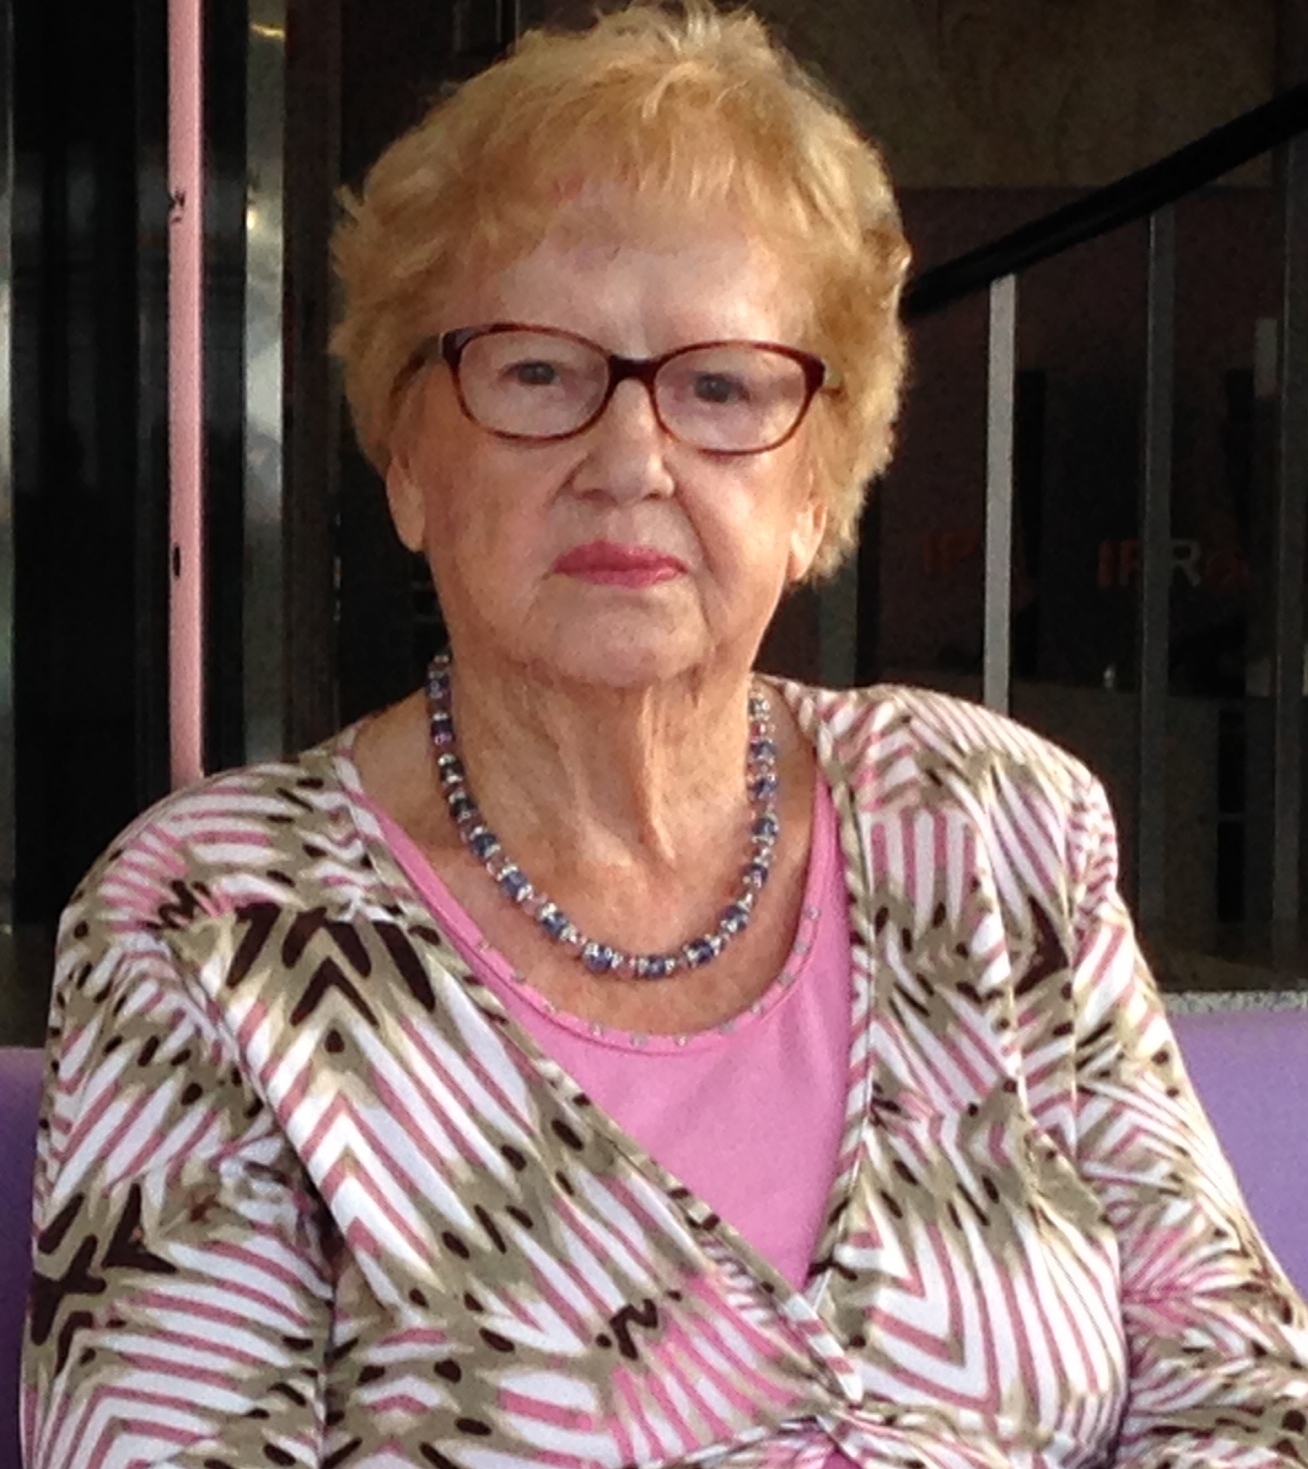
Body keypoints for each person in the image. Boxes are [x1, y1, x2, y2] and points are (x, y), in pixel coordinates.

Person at [22, 3, 1308, 1466]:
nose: (629, 458)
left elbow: (1236, 1372)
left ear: (816, 488)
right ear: (408, 462)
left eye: (719, 386)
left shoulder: (990, 824)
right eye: (536, 371)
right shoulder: (216, 924)